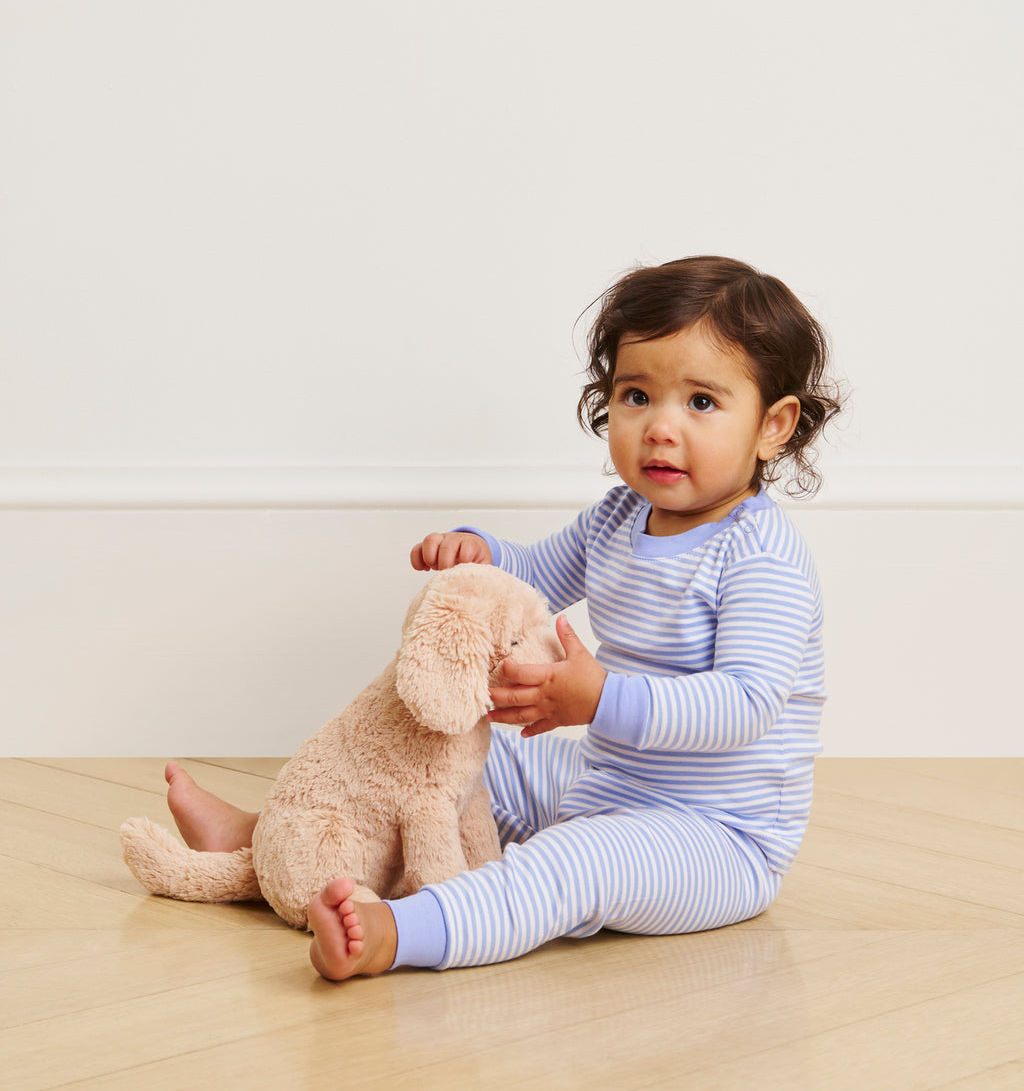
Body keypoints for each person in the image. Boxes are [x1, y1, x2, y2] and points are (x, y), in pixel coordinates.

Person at [165, 255, 844, 982]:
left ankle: (403, 932)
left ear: (773, 426)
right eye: (637, 395)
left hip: (717, 839)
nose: (659, 428)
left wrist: (600, 698)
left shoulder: (761, 555)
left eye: (702, 403)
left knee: (576, 864)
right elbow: (540, 572)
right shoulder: (620, 517)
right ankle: (278, 837)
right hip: (601, 780)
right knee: (440, 735)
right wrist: (482, 552)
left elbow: (746, 704)